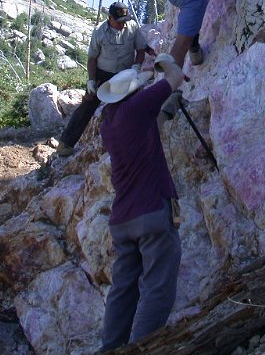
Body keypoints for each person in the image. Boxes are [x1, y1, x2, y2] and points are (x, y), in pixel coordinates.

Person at [99, 54, 185, 351]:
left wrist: (167, 111)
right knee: (157, 289)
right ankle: (141, 349)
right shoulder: (136, 107)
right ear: (135, 92)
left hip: (122, 219)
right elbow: (176, 76)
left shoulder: (109, 123)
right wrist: (164, 61)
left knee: (122, 290)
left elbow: (147, 128)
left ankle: (110, 347)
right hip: (151, 212)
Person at [56, 2, 152, 155]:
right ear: (110, 18)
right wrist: (91, 80)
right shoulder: (99, 32)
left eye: (124, 21)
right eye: (119, 21)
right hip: (103, 73)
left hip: (126, 74)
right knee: (87, 104)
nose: (122, 25)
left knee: (131, 105)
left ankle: (132, 140)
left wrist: (136, 67)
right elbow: (92, 59)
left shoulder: (132, 27)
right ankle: (65, 144)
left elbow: (140, 50)